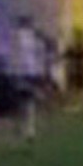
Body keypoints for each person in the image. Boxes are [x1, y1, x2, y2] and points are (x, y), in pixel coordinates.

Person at [8, 16, 51, 146]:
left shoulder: (18, 36)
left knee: (21, 102)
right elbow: (44, 50)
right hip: (31, 72)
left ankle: (21, 129)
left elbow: (15, 54)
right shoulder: (34, 37)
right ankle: (29, 130)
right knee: (29, 102)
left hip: (22, 72)